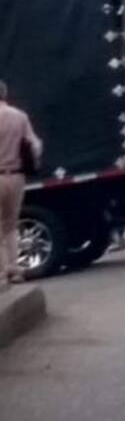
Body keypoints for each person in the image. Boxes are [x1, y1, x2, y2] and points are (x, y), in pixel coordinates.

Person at [0, 79, 42, 284]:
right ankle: (14, 269)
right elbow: (35, 145)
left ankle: (1, 274)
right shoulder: (19, 116)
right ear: (4, 94)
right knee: (10, 225)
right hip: (16, 175)